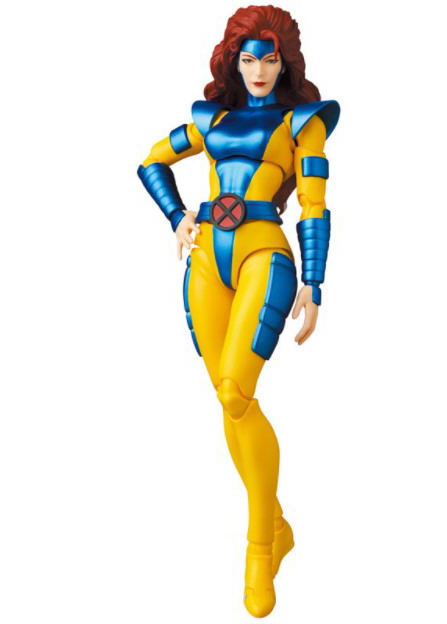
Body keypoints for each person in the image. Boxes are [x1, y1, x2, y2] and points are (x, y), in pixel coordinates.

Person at [137, 5, 340, 617]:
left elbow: (313, 204)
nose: (258, 70)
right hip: (206, 261)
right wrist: (177, 216)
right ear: (234, 61)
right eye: (248, 59)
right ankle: (276, 523)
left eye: (268, 59)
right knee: (233, 402)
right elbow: (150, 161)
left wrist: (315, 281)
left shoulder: (302, 124)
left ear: (285, 63)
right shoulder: (210, 120)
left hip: (262, 255)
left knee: (234, 392)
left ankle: (259, 549)